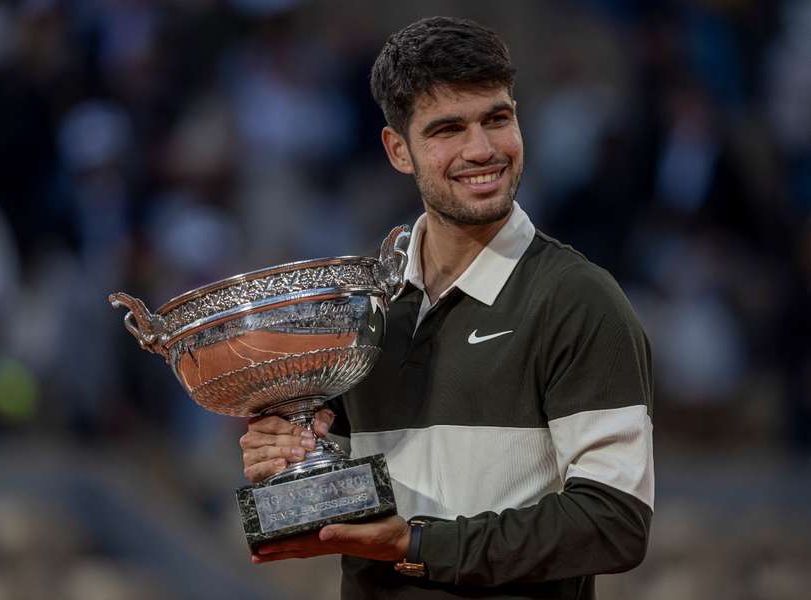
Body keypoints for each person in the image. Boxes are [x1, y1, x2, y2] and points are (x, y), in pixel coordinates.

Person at [239, 16, 653, 599]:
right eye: (448, 129)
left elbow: (614, 522)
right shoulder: (362, 308)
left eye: (497, 119)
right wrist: (287, 452)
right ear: (398, 151)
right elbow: (332, 486)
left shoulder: (578, 300)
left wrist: (416, 546)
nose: (482, 150)